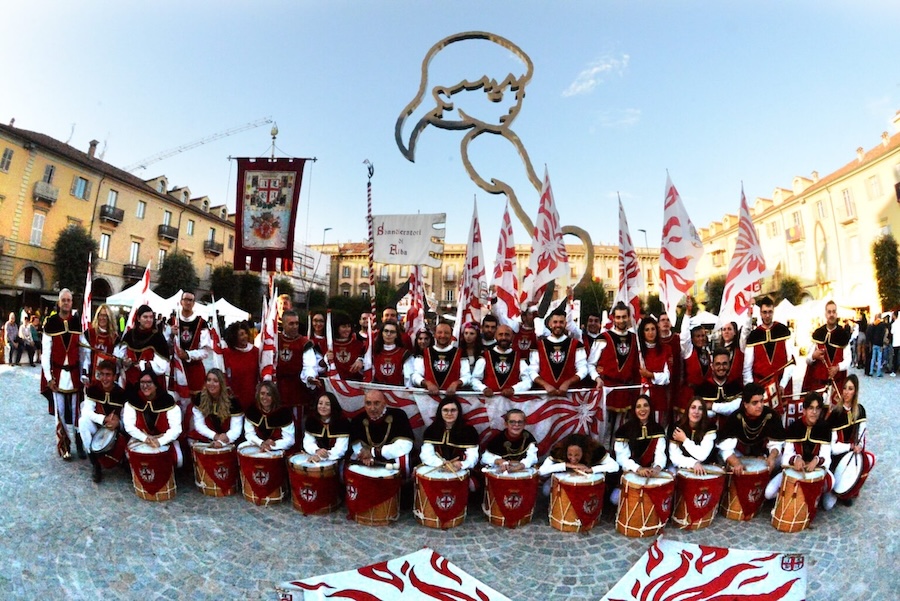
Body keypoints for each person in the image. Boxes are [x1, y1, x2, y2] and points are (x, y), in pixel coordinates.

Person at [41, 289, 87, 459]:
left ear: (72, 302)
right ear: (59, 302)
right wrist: (49, 378)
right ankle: (64, 445)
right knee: (60, 412)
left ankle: (79, 443)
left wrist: (84, 372)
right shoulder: (51, 323)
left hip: (74, 373)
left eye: (69, 300)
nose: (66, 303)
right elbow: (46, 353)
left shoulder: (77, 323)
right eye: (64, 300)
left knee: (77, 411)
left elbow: (84, 351)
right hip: (58, 374)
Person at [716, 383, 785, 492]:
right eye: (755, 403)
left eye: (761, 401)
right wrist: (736, 463)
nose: (760, 406)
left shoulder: (771, 416)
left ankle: (772, 489)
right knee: (725, 460)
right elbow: (725, 448)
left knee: (782, 458)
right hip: (741, 455)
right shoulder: (736, 418)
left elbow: (777, 442)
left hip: (765, 454)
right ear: (745, 404)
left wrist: (772, 457)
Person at [589, 302, 640, 443]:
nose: (621, 320)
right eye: (618, 317)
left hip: (625, 390)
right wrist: (597, 378)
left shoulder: (634, 339)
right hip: (607, 389)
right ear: (613, 318)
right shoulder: (603, 337)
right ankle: (602, 452)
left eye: (624, 317)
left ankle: (617, 452)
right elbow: (591, 363)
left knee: (621, 428)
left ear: (629, 317)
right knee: (604, 428)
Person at [775, 391, 832, 508]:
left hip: (816, 470)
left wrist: (816, 460)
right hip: (794, 470)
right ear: (804, 410)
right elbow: (785, 458)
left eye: (817, 408)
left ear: (821, 411)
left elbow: (827, 457)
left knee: (830, 494)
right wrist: (796, 459)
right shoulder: (794, 427)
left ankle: (819, 495)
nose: (814, 412)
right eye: (811, 408)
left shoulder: (825, 428)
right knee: (769, 492)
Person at [826, 374, 875, 505]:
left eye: (850, 389)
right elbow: (833, 448)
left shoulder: (860, 410)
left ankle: (850, 488)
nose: (846, 392)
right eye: (845, 388)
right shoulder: (836, 414)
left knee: (870, 459)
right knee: (828, 504)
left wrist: (859, 446)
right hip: (838, 456)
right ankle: (838, 486)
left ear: (855, 391)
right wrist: (850, 447)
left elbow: (861, 435)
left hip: (853, 453)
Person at [743, 296, 795, 417]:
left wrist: (783, 384)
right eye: (765, 312)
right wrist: (752, 390)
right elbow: (747, 368)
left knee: (782, 419)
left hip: (782, 386)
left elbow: (790, 362)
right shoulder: (754, 336)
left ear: (773, 311)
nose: (767, 315)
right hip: (761, 387)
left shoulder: (782, 331)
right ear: (760, 313)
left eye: (770, 312)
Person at [123, 368, 183, 467]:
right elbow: (129, 426)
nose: (145, 386)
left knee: (178, 460)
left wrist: (160, 441)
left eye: (149, 382)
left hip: (164, 439)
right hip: (141, 439)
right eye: (142, 382)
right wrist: (145, 438)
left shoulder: (168, 401)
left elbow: (176, 429)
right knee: (130, 456)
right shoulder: (133, 401)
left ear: (156, 385)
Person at [79, 360, 128, 483]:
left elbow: (127, 418)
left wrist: (118, 424)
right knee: (82, 422)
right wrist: (103, 419)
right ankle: (95, 462)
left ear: (114, 377)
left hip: (115, 430)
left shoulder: (121, 393)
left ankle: (122, 458)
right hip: (98, 426)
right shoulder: (93, 389)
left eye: (108, 375)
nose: (105, 379)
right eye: (102, 374)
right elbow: (86, 411)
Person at [349, 389, 414, 473]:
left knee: (403, 459)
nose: (372, 408)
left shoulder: (398, 416)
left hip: (391, 458)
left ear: (384, 404)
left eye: (376, 403)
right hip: (367, 459)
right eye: (368, 403)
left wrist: (373, 452)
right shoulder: (358, 420)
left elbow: (405, 446)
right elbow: (357, 446)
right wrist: (364, 455)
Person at [169, 291, 212, 409]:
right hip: (176, 368)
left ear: (194, 303)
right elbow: (164, 345)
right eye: (185, 299)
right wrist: (170, 334)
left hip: (194, 370)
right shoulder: (172, 321)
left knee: (194, 404)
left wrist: (188, 355)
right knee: (175, 402)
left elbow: (205, 351)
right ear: (181, 302)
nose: (188, 302)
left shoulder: (201, 323)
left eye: (191, 300)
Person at [530, 308, 587, 396]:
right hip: (544, 395)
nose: (558, 325)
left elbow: (583, 369)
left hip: (569, 395)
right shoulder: (539, 345)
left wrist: (568, 383)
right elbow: (532, 371)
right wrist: (545, 385)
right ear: (550, 324)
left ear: (565, 324)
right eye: (555, 322)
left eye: (561, 322)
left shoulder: (576, 344)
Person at [115, 304, 169, 391]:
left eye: (151, 317)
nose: (149, 320)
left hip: (151, 385)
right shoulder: (129, 335)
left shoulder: (158, 338)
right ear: (138, 318)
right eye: (145, 317)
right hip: (130, 382)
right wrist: (123, 361)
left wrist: (143, 365)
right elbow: (118, 355)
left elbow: (162, 366)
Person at [420, 397, 480, 473]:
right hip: (436, 467)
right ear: (440, 412)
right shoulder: (432, 430)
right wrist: (442, 463)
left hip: (462, 470)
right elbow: (426, 455)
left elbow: (473, 457)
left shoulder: (469, 431)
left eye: (453, 410)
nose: (449, 413)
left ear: (458, 412)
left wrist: (461, 464)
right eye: (445, 410)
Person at [802, 300, 851, 394]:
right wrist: (813, 356)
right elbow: (808, 360)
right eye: (829, 312)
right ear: (825, 314)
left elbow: (848, 360)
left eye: (834, 312)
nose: (831, 314)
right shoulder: (818, 334)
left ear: (836, 314)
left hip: (837, 385)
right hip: (818, 385)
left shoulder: (843, 335)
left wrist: (837, 368)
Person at [471, 324, 532, 397]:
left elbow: (527, 381)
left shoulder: (519, 357)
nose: (504, 337)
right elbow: (475, 379)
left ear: (512, 337)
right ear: (495, 336)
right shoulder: (485, 356)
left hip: (512, 401)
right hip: (490, 401)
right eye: (500, 334)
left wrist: (513, 389)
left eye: (507, 335)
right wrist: (484, 389)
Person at [614, 394, 667, 478]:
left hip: (652, 472)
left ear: (650, 408)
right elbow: (622, 458)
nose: (642, 409)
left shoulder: (658, 429)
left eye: (645, 405)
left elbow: (660, 454)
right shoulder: (623, 430)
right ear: (634, 410)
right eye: (638, 406)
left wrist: (657, 467)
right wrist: (638, 469)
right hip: (631, 472)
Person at [188, 368, 244, 447]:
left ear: (221, 383)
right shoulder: (200, 398)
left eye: (215, 381)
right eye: (209, 380)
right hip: (209, 435)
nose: (211, 384)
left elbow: (236, 430)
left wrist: (221, 442)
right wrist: (215, 436)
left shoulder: (233, 401)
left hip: (228, 438)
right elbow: (199, 424)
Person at [412, 322, 468, 394]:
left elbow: (467, 376)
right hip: (428, 398)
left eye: (446, 333)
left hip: (451, 398)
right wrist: (427, 383)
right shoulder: (424, 353)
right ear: (435, 335)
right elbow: (416, 375)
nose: (443, 335)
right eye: (439, 332)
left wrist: (456, 383)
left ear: (451, 335)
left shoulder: (460, 353)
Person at [241, 381, 295, 453]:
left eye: (269, 394)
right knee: (241, 447)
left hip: (277, 447)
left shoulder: (283, 412)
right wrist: (261, 443)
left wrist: (272, 445)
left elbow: (290, 440)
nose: (265, 397)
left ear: (274, 396)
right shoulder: (252, 410)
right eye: (262, 393)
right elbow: (249, 433)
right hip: (258, 444)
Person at [637, 316, 672, 426]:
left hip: (659, 396)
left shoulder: (666, 349)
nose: (650, 332)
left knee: (658, 426)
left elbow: (667, 377)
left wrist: (650, 375)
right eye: (647, 330)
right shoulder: (638, 351)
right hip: (641, 395)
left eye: (653, 329)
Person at [668, 397, 717, 474]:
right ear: (688, 410)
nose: (696, 412)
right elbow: (675, 457)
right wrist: (693, 463)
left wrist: (684, 440)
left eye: (700, 409)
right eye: (693, 407)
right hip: (682, 467)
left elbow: (702, 455)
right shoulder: (677, 428)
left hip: (705, 467)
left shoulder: (709, 428)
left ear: (703, 412)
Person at [539, 433, 618, 478]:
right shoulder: (558, 451)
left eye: (577, 455)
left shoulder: (596, 451)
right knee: (546, 489)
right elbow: (541, 471)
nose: (573, 458)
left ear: (584, 452)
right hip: (563, 479)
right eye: (570, 454)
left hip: (587, 481)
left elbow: (615, 466)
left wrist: (591, 470)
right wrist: (567, 465)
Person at [222, 321, 260, 411]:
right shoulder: (226, 353)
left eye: (246, 333)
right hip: (233, 398)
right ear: (234, 337)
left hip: (251, 397)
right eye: (241, 335)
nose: (245, 336)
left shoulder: (255, 352)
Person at [303, 392, 351, 462]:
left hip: (336, 459)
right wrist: (316, 450)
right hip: (314, 456)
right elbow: (308, 442)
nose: (323, 407)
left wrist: (322, 456)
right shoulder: (311, 420)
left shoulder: (342, 422)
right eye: (320, 403)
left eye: (327, 404)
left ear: (333, 406)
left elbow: (340, 449)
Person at [695, 348, 743, 418]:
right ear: (712, 366)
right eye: (718, 364)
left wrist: (712, 406)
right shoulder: (702, 387)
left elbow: (737, 407)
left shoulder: (735, 386)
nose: (721, 367)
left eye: (724, 364)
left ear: (729, 365)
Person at [80, 304, 118, 382]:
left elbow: (116, 361)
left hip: (107, 379)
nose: (102, 318)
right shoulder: (89, 334)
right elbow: (84, 357)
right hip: (90, 376)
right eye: (100, 315)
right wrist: (85, 374)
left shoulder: (115, 338)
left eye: (105, 316)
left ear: (109, 318)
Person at [324, 311, 365, 381]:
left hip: (354, 383)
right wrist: (325, 359)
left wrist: (361, 361)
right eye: (343, 327)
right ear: (336, 328)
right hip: (333, 383)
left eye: (349, 326)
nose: (347, 329)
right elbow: (318, 366)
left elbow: (369, 361)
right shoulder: (326, 344)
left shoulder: (358, 344)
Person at [370, 319, 408, 386]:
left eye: (392, 332)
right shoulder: (373, 352)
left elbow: (408, 378)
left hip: (397, 390)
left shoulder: (404, 354)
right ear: (382, 333)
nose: (388, 334)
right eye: (386, 331)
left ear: (396, 335)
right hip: (377, 390)